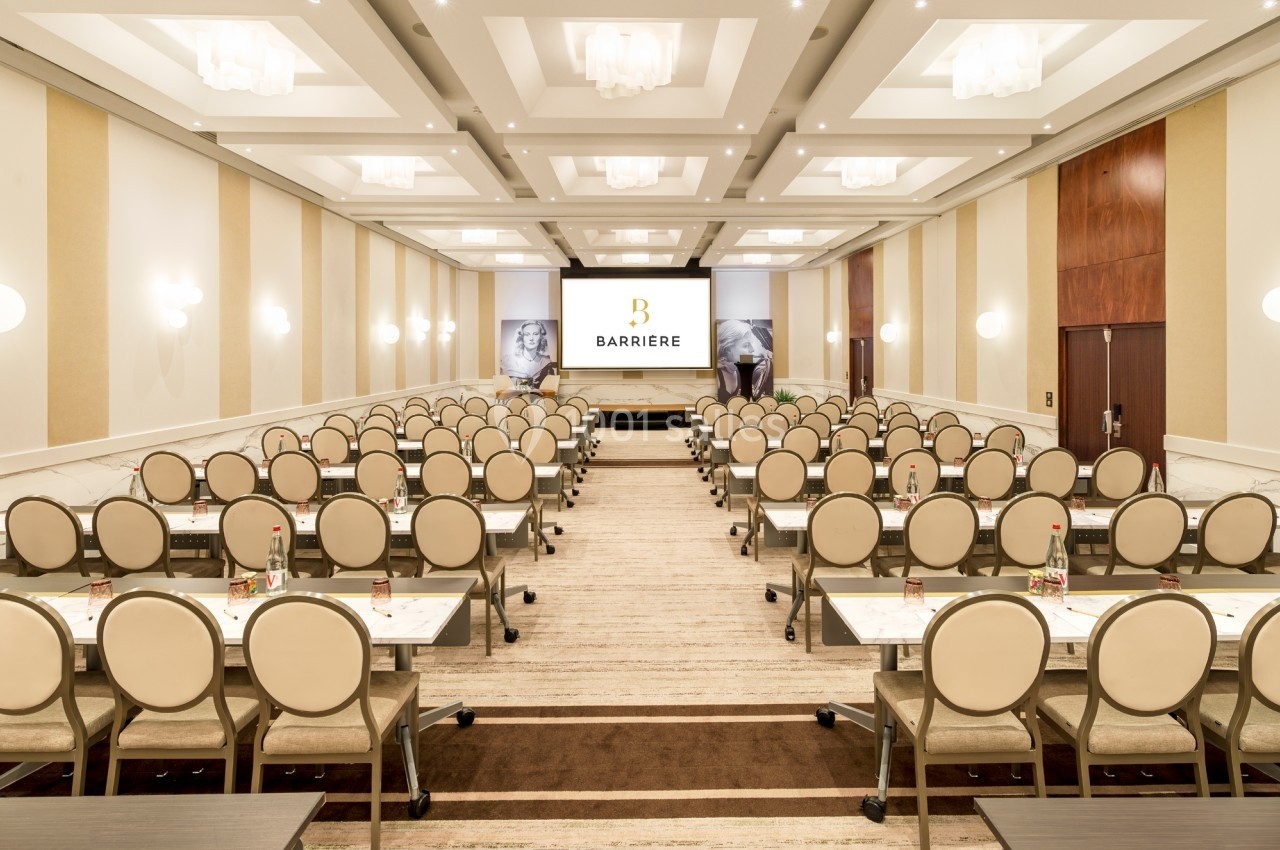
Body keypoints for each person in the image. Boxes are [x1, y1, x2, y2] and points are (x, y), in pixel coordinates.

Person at [716, 320, 773, 400]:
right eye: (746, 345)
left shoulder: (736, 362)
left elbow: (754, 357)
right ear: (728, 348)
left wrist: (764, 352)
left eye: (750, 344)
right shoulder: (717, 376)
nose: (752, 350)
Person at [501, 319, 557, 387]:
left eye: (535, 334)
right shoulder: (509, 361)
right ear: (522, 337)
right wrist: (529, 383)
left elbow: (550, 387)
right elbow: (505, 386)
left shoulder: (546, 362)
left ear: (541, 337)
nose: (531, 338)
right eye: (527, 334)